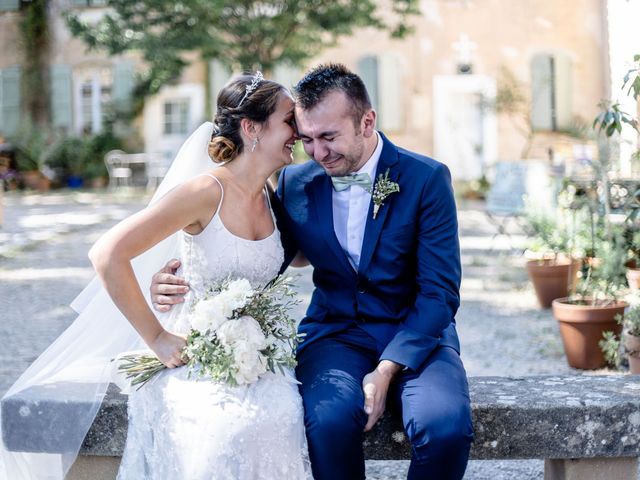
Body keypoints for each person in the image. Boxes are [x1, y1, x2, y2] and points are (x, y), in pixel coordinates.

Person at [152, 63, 474, 480]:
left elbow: (440, 293)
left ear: (367, 121)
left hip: (418, 334)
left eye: (329, 137)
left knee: (445, 428)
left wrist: (388, 367)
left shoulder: (426, 178)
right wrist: (183, 281)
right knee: (326, 423)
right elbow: (261, 259)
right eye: (307, 139)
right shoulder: (295, 183)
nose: (318, 153)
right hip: (336, 334)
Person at [0, 74, 311, 480]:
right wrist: (158, 338)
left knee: (285, 416)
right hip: (195, 356)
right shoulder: (205, 192)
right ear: (251, 128)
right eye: (290, 121)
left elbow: (304, 255)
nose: (300, 132)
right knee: (228, 430)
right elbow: (108, 254)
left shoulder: (272, 197)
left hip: (260, 357)